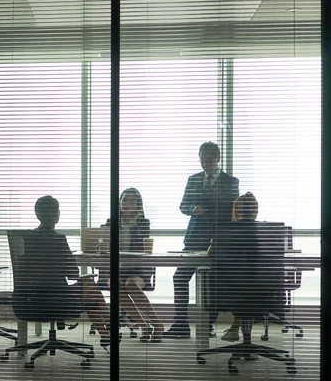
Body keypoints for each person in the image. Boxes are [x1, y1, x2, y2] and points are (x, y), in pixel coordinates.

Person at [165, 141, 240, 339]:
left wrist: (208, 207)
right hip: (194, 239)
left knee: (211, 283)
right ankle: (180, 324)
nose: (205, 163)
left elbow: (232, 210)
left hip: (218, 240)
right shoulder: (193, 180)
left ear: (218, 158)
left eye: (209, 159)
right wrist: (192, 209)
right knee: (180, 277)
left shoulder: (231, 182)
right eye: (202, 160)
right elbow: (183, 205)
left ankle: (208, 324)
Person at [25, 195, 114, 351]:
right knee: (90, 285)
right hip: (56, 297)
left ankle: (106, 333)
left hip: (29, 298)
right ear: (56, 214)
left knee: (89, 291)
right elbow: (73, 273)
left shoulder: (25, 238)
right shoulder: (58, 239)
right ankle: (108, 330)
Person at [103, 188, 164, 342]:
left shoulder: (143, 222)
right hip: (119, 267)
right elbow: (105, 244)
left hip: (139, 268)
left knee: (131, 284)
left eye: (131, 200)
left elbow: (140, 247)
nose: (126, 203)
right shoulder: (111, 222)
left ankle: (157, 324)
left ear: (138, 204)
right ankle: (143, 325)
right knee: (116, 285)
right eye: (124, 200)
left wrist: (132, 224)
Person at [214, 192, 260, 343]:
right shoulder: (266, 231)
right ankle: (246, 339)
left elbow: (213, 253)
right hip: (265, 287)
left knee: (241, 286)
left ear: (237, 211)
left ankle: (236, 327)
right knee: (251, 287)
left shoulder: (227, 230)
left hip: (233, 287)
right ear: (256, 210)